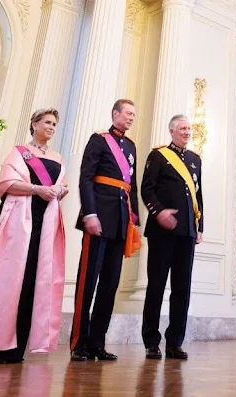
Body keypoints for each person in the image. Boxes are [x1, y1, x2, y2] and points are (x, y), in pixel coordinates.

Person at [0, 108, 68, 364]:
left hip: (45, 222)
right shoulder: (19, 152)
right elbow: (7, 184)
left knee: (32, 280)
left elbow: (62, 185)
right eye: (47, 122)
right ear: (34, 123)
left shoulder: (58, 157)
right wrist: (38, 189)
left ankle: (16, 348)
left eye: (54, 123)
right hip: (20, 220)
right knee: (8, 278)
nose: (52, 127)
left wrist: (59, 190)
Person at [69, 99, 141, 361]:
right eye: (128, 113)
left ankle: (98, 343)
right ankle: (79, 343)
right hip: (98, 218)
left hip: (120, 222)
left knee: (109, 285)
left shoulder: (131, 146)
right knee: (88, 283)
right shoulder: (98, 139)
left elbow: (132, 185)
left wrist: (134, 220)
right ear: (115, 113)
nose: (131, 118)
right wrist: (89, 213)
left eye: (134, 114)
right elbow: (86, 177)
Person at [140, 114, 204, 360]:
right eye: (183, 129)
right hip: (162, 232)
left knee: (182, 289)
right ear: (172, 131)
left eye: (189, 129)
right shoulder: (158, 156)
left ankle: (175, 342)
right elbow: (147, 189)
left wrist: (200, 226)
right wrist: (159, 213)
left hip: (187, 232)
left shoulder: (195, 160)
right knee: (156, 287)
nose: (187, 132)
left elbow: (199, 196)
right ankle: (151, 341)